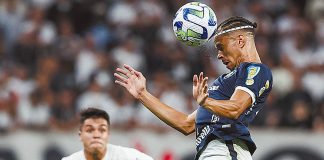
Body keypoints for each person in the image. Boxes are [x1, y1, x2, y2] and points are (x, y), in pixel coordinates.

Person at [114, 16, 273, 160]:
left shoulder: (255, 70)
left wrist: (207, 102)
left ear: (240, 41)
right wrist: (143, 94)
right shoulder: (225, 82)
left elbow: (235, 108)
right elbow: (186, 124)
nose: (218, 55)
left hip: (226, 150)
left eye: (221, 47)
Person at [61, 107, 153, 160]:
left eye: (102, 130)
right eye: (90, 130)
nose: (96, 135)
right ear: (80, 135)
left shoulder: (127, 156)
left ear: (108, 135)